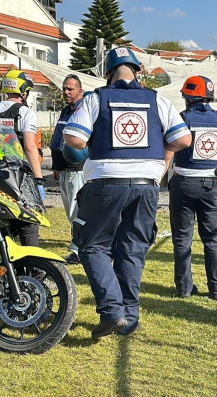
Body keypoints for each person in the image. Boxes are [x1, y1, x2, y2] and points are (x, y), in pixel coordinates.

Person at [63, 47, 191, 339]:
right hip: (146, 186)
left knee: (93, 246)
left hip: (105, 184)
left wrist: (91, 145)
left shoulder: (96, 98)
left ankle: (112, 311)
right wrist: (162, 155)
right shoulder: (157, 100)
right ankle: (129, 318)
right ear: (138, 70)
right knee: (132, 250)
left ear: (106, 72)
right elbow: (183, 138)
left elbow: (74, 138)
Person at [168, 75, 217, 301]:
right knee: (212, 239)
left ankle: (184, 289)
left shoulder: (180, 119)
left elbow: (167, 153)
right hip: (212, 184)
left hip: (183, 183)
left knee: (182, 239)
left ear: (188, 97)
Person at [0, 69, 45, 247]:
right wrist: (38, 180)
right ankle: (34, 271)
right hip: (17, 178)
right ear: (24, 91)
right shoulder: (25, 113)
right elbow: (30, 147)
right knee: (27, 224)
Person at [50, 74, 86, 264]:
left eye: (70, 89)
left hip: (77, 169)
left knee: (77, 211)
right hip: (64, 169)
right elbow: (58, 139)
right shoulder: (66, 110)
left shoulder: (83, 110)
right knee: (70, 212)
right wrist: (56, 166)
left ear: (80, 91)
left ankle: (78, 250)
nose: (66, 92)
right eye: (64, 88)